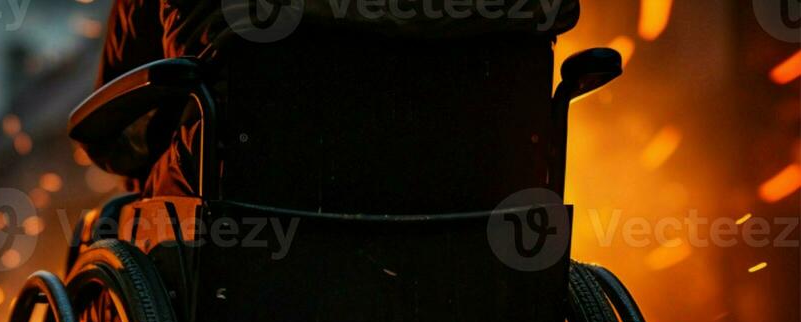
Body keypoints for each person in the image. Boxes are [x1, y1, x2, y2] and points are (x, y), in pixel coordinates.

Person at [86, 0, 581, 197]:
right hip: (474, 197)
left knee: (127, 213)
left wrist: (115, 144)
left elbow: (119, 122)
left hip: (266, 197)